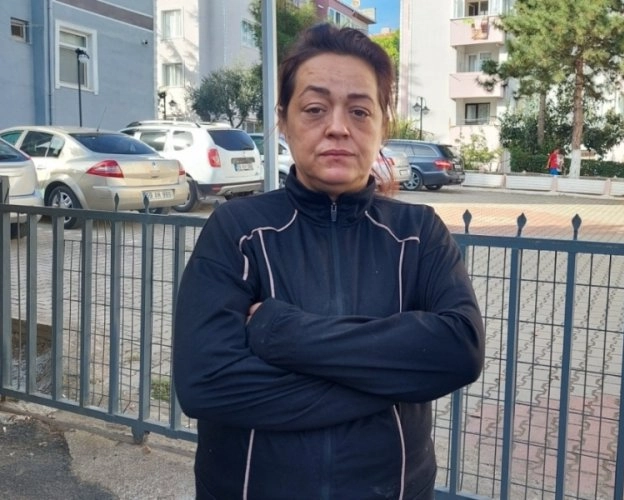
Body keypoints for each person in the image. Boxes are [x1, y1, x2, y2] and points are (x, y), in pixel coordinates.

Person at [173, 23, 485, 499]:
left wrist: (280, 331)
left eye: (359, 111)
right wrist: (391, 378)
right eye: (315, 109)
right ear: (283, 120)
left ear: (383, 125)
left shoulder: (418, 234)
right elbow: (206, 383)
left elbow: (459, 350)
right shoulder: (238, 231)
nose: (338, 127)